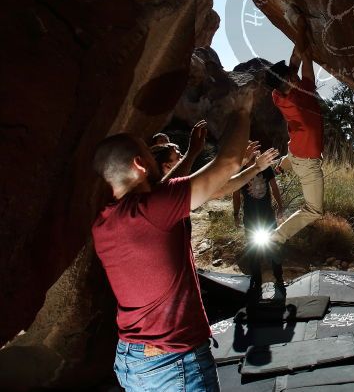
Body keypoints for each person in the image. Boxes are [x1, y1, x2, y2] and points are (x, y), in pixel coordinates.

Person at [91, 93, 278, 391]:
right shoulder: (155, 209)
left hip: (131, 358)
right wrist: (242, 111)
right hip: (173, 359)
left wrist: (194, 154)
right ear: (141, 165)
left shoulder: (104, 222)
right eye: (151, 155)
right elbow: (226, 162)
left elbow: (195, 188)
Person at [264, 39, 324, 248]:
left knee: (292, 157)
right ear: (289, 79)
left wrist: (300, 28)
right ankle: (276, 237)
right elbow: (303, 56)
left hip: (296, 152)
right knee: (314, 210)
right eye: (292, 74)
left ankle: (280, 167)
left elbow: (297, 60)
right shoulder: (304, 94)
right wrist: (302, 29)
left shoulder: (277, 96)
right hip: (306, 161)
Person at [233, 161, 284, 299]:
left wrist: (280, 205)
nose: (255, 154)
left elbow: (274, 187)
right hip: (251, 218)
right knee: (253, 250)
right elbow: (236, 194)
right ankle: (257, 281)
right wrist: (235, 214)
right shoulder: (240, 170)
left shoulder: (265, 167)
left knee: (273, 247)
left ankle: (279, 279)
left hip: (267, 216)